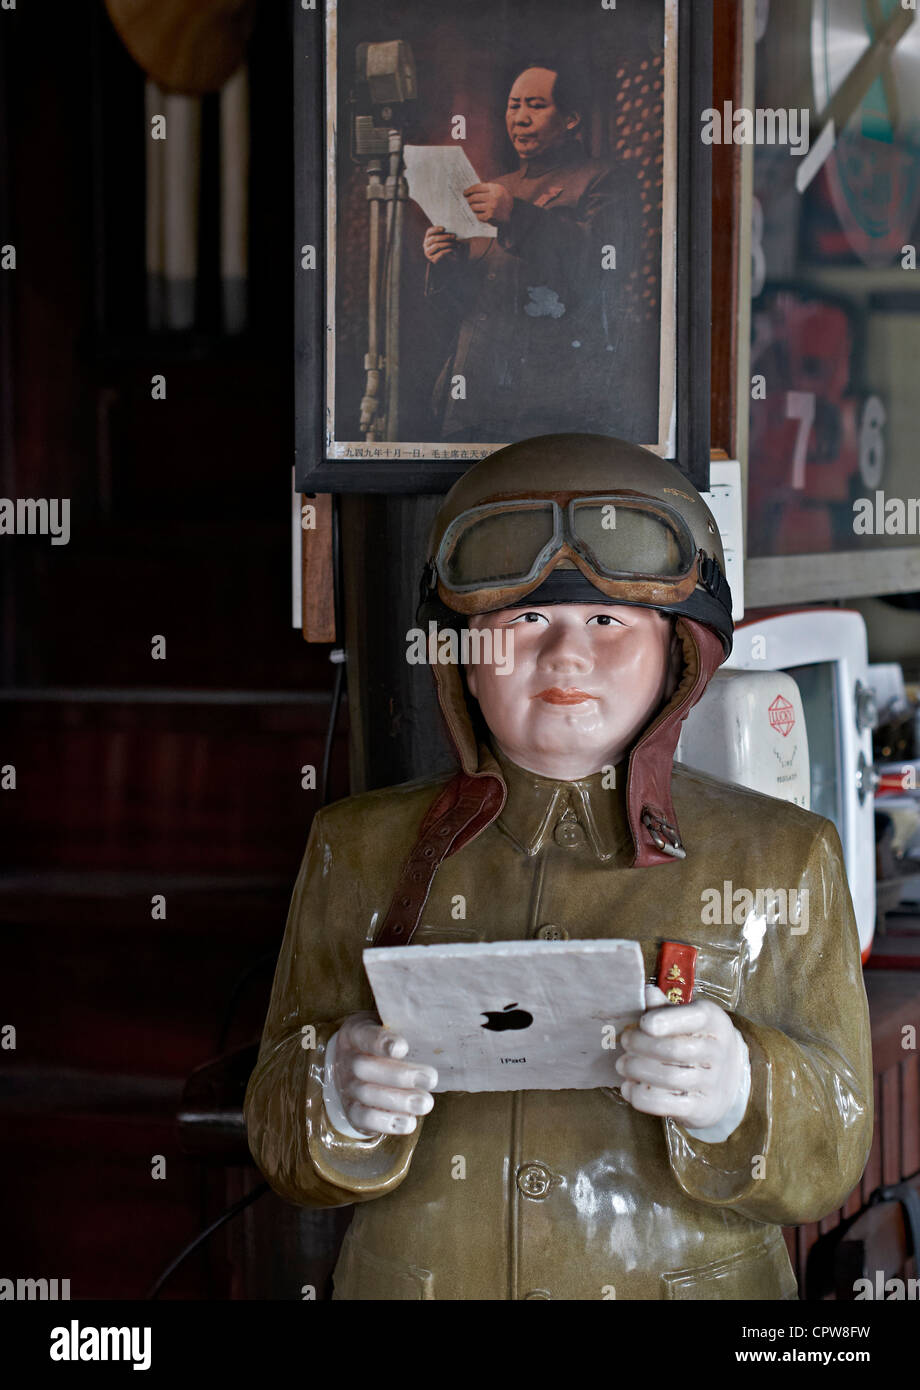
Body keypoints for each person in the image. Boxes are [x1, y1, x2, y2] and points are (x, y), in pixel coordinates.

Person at [245, 432, 873, 1300]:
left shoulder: (780, 855)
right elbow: (276, 1118)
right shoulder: (356, 850)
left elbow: (839, 1144)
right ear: (462, 655)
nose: (567, 657)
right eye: (525, 619)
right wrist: (335, 1094)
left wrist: (743, 1089)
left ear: (678, 651)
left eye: (609, 621)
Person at [422, 64, 652, 442]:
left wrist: (516, 215)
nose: (520, 119)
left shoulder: (604, 180)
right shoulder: (498, 188)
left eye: (536, 105)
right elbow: (473, 300)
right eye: (513, 106)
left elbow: (602, 264)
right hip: (474, 390)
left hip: (547, 397)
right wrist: (445, 262)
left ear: (572, 118)